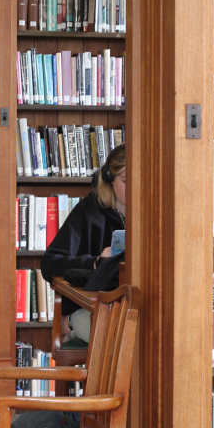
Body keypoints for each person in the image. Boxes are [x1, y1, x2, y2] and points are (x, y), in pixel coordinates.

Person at [40, 143, 126, 342]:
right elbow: (50, 262)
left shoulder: (151, 211)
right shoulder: (89, 211)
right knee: (122, 341)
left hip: (135, 309)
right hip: (90, 309)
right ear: (110, 179)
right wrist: (94, 262)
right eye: (125, 180)